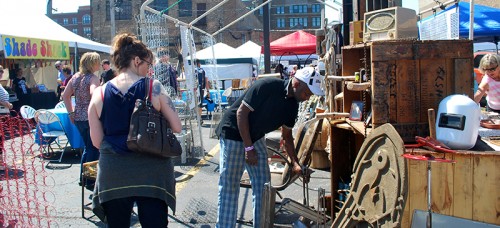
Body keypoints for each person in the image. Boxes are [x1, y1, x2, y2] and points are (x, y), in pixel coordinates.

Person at [88, 33, 181, 227]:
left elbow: (97, 141)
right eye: (148, 63)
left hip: (114, 173)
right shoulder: (153, 87)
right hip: (153, 173)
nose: (149, 68)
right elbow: (177, 127)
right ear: (136, 60)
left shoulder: (99, 93)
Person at [215, 66, 324, 227]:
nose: (307, 98)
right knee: (230, 187)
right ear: (297, 84)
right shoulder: (266, 86)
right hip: (233, 132)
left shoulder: (292, 106)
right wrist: (249, 149)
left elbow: (286, 137)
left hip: (255, 136)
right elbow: (241, 114)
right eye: (307, 93)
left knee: (263, 186)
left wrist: (295, 163)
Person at [62, 52, 101, 189]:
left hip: (78, 117)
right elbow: (93, 92)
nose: (99, 64)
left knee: (87, 147)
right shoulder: (93, 78)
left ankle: (83, 178)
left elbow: (65, 96)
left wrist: (70, 112)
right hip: (90, 117)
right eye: (97, 62)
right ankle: (90, 179)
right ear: (92, 63)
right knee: (94, 148)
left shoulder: (75, 77)